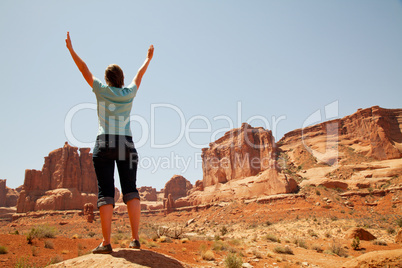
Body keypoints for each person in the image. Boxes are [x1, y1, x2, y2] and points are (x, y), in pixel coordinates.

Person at [65, 31, 154, 254]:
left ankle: (106, 243)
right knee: (131, 191)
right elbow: (139, 75)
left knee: (105, 192)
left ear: (107, 79)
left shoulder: (101, 90)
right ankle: (135, 239)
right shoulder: (129, 93)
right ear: (121, 78)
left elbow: (84, 70)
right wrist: (148, 58)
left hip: (104, 143)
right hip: (126, 143)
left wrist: (71, 50)